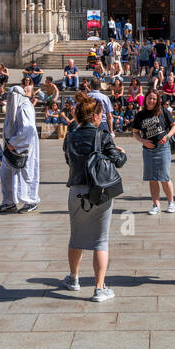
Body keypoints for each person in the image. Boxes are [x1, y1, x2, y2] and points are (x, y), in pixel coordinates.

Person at [63, 93, 127, 301]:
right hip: (99, 191)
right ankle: (99, 288)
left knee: (76, 237)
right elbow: (118, 162)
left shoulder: (70, 136)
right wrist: (122, 152)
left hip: (76, 190)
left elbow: (68, 160)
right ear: (97, 116)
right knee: (101, 240)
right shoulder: (103, 135)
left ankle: (73, 278)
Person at [133, 89, 175, 214]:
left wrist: (168, 136)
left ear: (157, 100)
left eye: (154, 99)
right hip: (148, 150)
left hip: (163, 148)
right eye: (149, 98)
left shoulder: (163, 111)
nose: (151, 101)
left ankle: (171, 203)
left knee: (164, 177)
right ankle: (156, 205)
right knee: (152, 178)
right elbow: (135, 133)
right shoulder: (140, 115)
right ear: (145, 99)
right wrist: (143, 141)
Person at [0, 80, 40, 214]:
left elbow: (28, 130)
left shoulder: (25, 107)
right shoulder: (15, 107)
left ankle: (31, 201)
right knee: (6, 174)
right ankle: (9, 201)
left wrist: (13, 143)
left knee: (26, 174)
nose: (9, 98)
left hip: (22, 148)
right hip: (10, 148)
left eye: (11, 95)